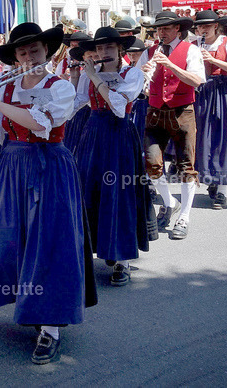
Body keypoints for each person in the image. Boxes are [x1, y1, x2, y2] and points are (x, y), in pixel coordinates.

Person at [0, 22, 96, 365]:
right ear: (15, 57)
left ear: (46, 52)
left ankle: (51, 326)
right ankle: (29, 304)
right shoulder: (5, 88)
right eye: (22, 52)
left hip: (49, 165)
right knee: (8, 236)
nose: (29, 56)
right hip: (11, 166)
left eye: (35, 50)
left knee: (47, 241)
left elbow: (39, 122)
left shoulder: (59, 86)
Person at [71, 27, 149, 286]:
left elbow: (118, 106)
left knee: (118, 193)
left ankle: (122, 260)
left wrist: (95, 78)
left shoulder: (133, 73)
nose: (104, 52)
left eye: (109, 48)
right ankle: (94, 250)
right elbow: (78, 102)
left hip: (119, 134)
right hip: (92, 132)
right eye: (100, 48)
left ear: (120, 50)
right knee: (89, 190)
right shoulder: (89, 74)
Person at [134, 11, 204, 241]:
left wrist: (171, 65)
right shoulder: (149, 52)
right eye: (158, 29)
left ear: (177, 29)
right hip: (155, 111)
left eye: (166, 29)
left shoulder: (191, 49)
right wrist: (141, 77)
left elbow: (197, 81)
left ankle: (184, 216)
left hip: (182, 111)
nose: (161, 33)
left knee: (186, 165)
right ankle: (170, 202)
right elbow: (138, 86)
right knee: (152, 163)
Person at [191, 11, 227, 210]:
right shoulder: (193, 45)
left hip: (223, 92)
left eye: (207, 25)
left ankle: (223, 191)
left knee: (224, 139)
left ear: (216, 26)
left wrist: (214, 61)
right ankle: (211, 178)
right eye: (200, 26)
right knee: (204, 139)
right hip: (201, 92)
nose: (203, 29)